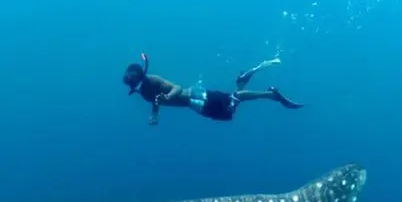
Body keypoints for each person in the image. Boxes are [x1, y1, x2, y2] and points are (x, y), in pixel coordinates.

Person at [123, 52, 303, 125]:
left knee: (234, 100)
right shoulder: (143, 92)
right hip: (194, 105)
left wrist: (169, 96)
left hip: (196, 97)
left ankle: (271, 95)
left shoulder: (152, 80)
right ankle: (243, 79)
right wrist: (154, 115)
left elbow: (176, 87)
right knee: (231, 107)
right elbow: (156, 103)